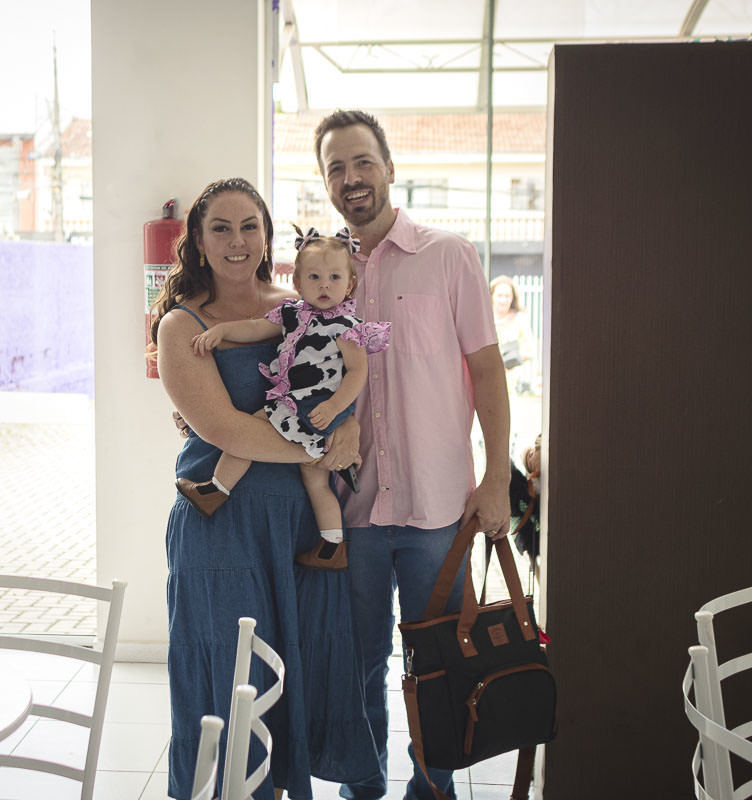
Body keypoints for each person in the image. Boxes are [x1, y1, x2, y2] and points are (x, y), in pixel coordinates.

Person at [151, 177, 381, 800]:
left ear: (267, 235)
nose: (236, 241)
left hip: (296, 527)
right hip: (219, 526)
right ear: (196, 241)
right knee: (226, 684)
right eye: (220, 228)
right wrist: (324, 445)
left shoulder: (301, 306)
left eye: (249, 226)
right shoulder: (180, 325)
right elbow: (227, 430)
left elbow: (337, 387)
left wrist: (350, 425)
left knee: (288, 680)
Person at [312, 110, 512, 800]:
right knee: (360, 666)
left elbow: (487, 371)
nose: (351, 178)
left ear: (390, 167)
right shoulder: (322, 275)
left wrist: (496, 478)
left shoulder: (448, 254)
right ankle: (362, 788)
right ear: (326, 183)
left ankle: (434, 791)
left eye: (362, 162)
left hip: (438, 508)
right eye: (336, 168)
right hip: (356, 510)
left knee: (439, 668)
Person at [175, 225, 391, 570]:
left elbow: (357, 373)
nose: (324, 285)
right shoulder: (293, 314)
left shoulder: (347, 327)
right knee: (315, 479)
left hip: (313, 407)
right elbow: (255, 328)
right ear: (298, 283)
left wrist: (336, 407)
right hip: (303, 405)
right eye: (315, 277)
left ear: (350, 284)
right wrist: (222, 331)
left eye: (335, 277)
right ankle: (332, 544)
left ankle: (216, 490)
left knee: (245, 435)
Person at [489, 275, 539, 396]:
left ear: (513, 298)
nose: (503, 300)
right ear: (491, 296)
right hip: (487, 377)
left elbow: (530, 348)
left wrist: (510, 359)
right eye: (500, 296)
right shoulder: (485, 318)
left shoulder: (521, 318)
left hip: (512, 382)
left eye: (507, 296)